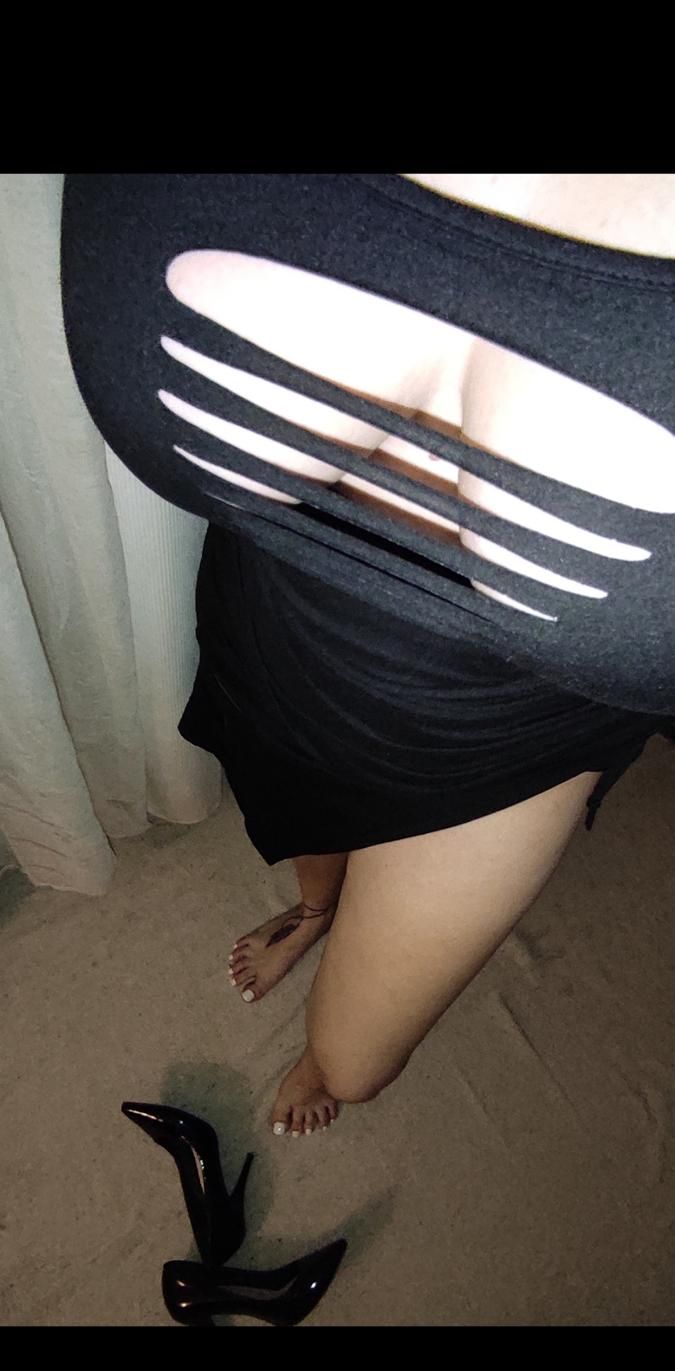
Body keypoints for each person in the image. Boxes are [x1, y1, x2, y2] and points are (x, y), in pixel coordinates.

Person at [61, 174, 675, 1140]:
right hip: (274, 628)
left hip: (501, 747)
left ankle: (319, 1049)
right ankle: (316, 912)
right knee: (300, 831)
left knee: (353, 1063)